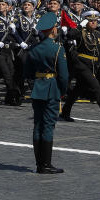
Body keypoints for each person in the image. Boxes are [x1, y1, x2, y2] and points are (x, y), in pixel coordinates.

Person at [23, 11, 69, 175]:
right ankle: (46, 165)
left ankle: (39, 163)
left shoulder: (34, 48)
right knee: (48, 126)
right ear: (52, 30)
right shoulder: (57, 49)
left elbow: (27, 72)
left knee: (37, 125)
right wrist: (62, 92)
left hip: (37, 89)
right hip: (52, 89)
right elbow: (63, 76)